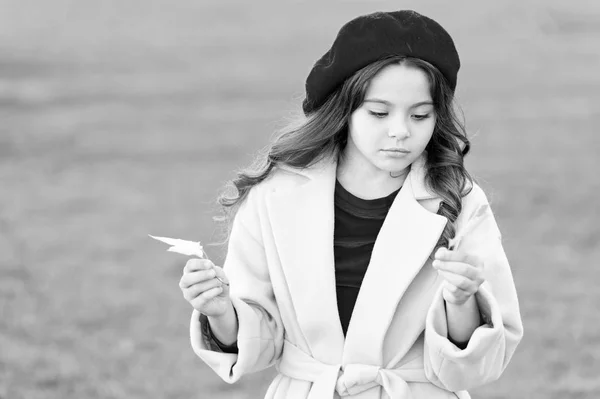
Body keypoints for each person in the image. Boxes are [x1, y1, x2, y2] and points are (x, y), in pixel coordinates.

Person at [178, 9, 523, 399]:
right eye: (379, 112)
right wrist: (220, 309)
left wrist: (461, 300)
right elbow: (261, 342)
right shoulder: (275, 196)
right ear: (345, 109)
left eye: (420, 115)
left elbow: (479, 362)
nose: (400, 131)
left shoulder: (460, 201)